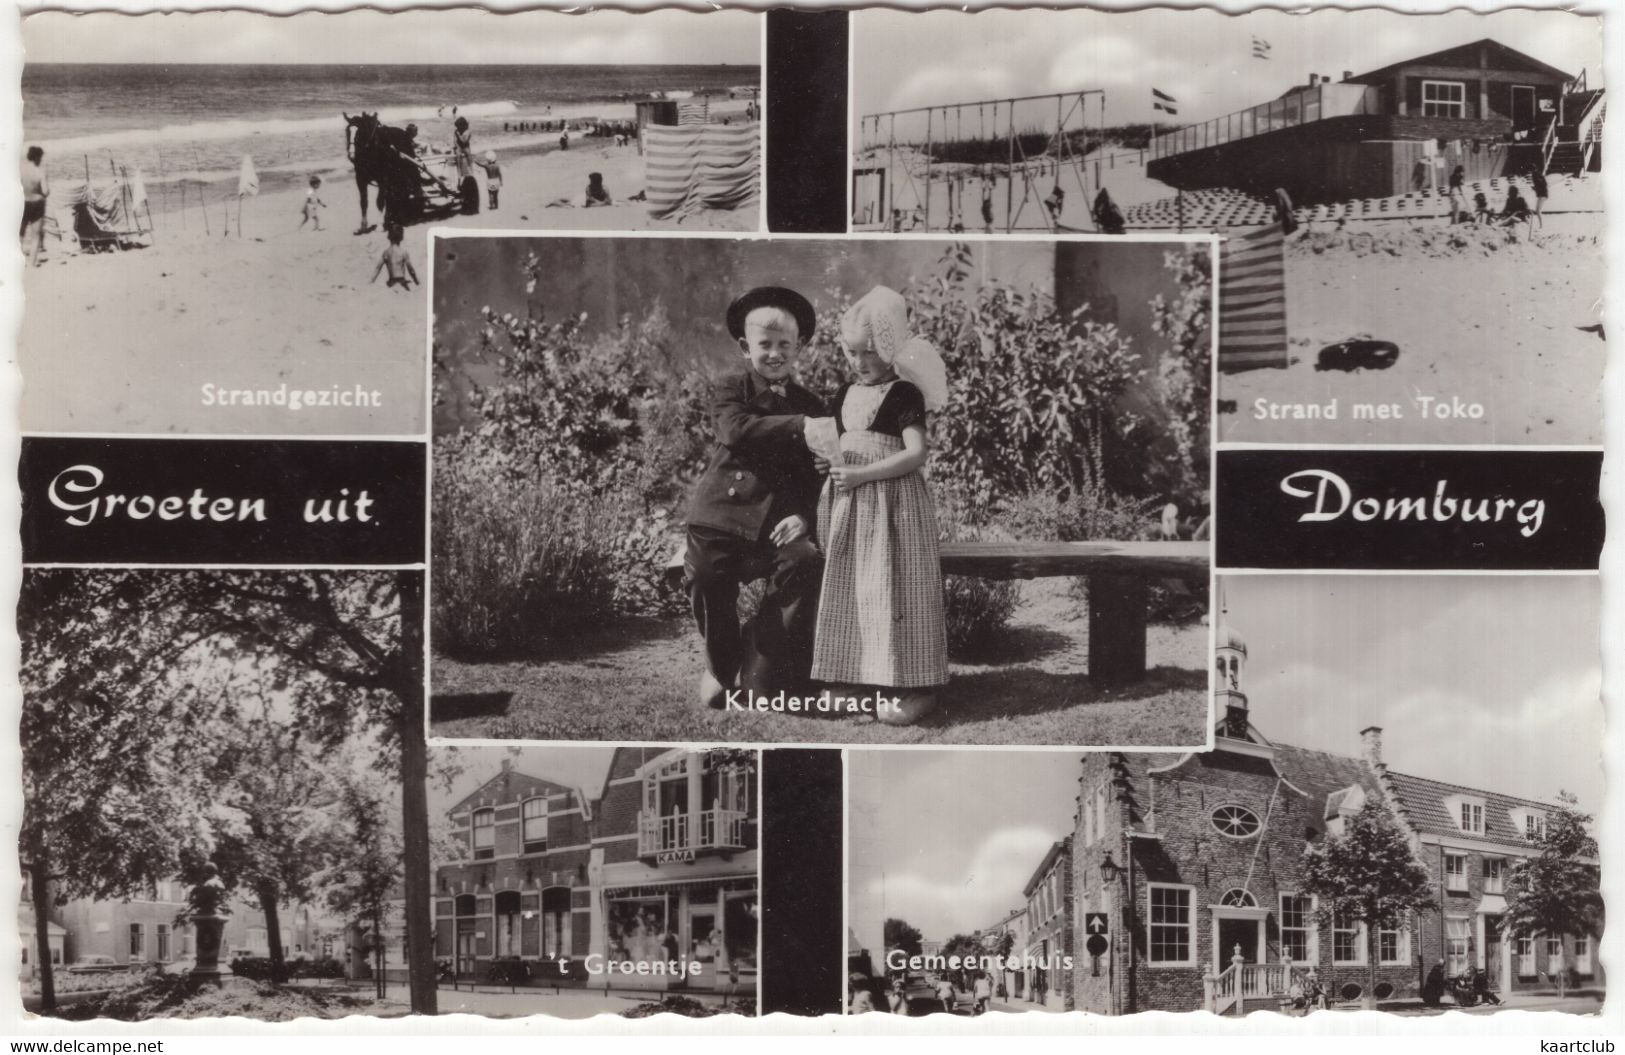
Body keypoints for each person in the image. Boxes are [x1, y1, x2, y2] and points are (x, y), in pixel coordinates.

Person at [810, 286, 949, 726]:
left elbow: (915, 455)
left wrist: (862, 475)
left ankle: (911, 683)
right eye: (853, 353)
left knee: (896, 589)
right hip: (850, 513)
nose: (861, 363)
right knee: (854, 591)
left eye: (870, 352)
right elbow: (842, 445)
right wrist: (829, 460)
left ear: (890, 346)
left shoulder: (903, 394)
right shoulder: (843, 395)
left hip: (895, 511)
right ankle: (854, 677)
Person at [682, 287, 825, 709]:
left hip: (777, 524)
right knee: (708, 576)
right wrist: (802, 427)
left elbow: (814, 476)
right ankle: (720, 665)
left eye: (785, 344)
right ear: (746, 348)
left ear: (800, 347)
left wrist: (803, 515)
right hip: (722, 517)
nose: (775, 354)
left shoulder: (812, 404)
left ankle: (762, 658)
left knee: (804, 561)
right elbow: (736, 431)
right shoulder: (733, 389)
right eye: (765, 345)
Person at [21, 145, 49, 268]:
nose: (41, 160)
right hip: (37, 204)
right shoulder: (40, 172)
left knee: (19, 233)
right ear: (37, 157)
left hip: (22, 203)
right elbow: (46, 191)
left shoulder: (20, 170)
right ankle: (32, 263)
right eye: (40, 157)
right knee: (36, 234)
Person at [370, 223, 419, 291]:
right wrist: (417, 282)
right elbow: (411, 270)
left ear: (389, 236)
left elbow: (378, 268)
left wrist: (371, 281)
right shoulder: (403, 252)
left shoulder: (386, 252)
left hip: (391, 282)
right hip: (401, 281)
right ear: (402, 237)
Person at [452, 116, 474, 185]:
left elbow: (464, 141)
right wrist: (456, 147)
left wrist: (459, 135)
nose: (458, 128)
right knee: (458, 156)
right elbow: (455, 141)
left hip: (465, 146)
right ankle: (459, 176)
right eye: (457, 127)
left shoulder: (468, 131)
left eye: (459, 126)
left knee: (468, 155)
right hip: (459, 146)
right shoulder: (456, 131)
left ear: (463, 125)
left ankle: (471, 173)